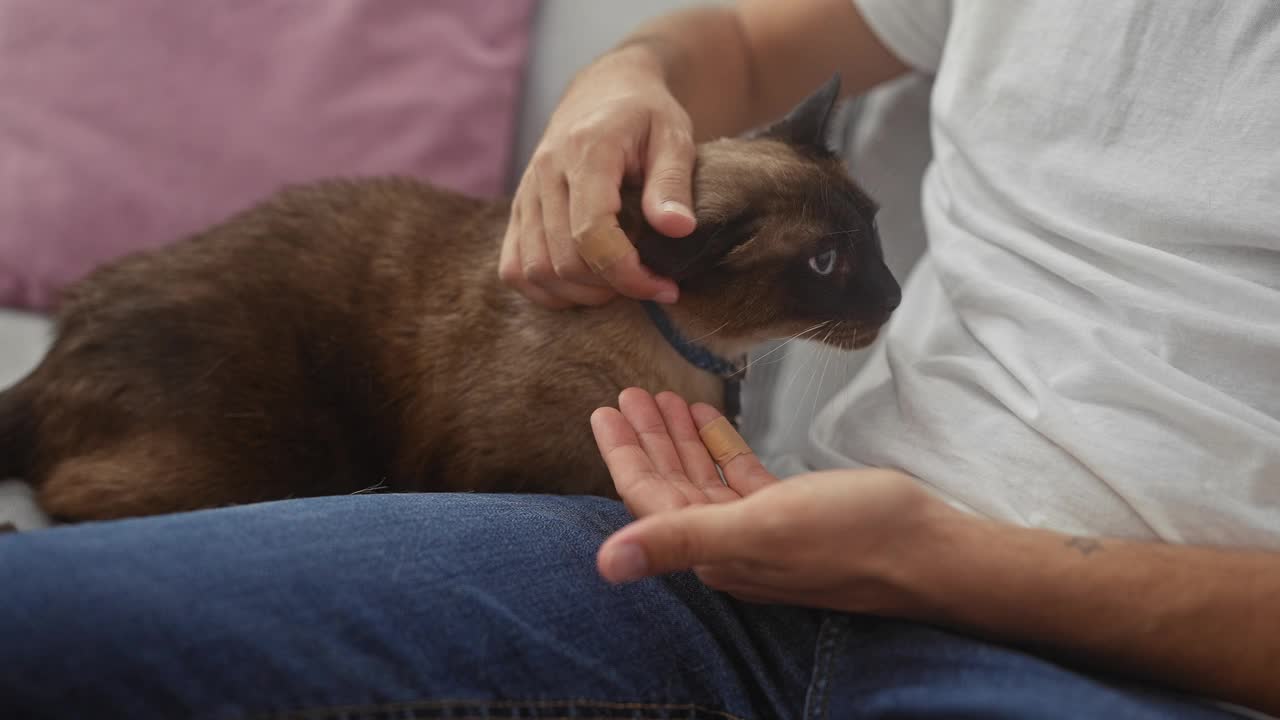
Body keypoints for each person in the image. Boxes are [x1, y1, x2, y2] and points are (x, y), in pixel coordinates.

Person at [2, 1, 1277, 718]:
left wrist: (939, 563)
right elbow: (732, 34)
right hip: (721, 557)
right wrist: (620, 83)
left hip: (1099, 664)